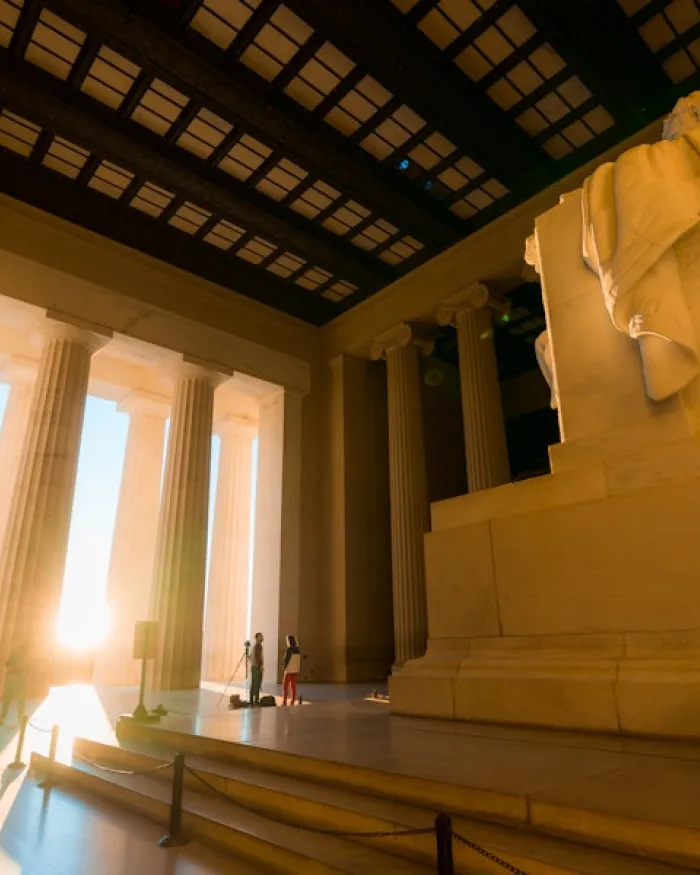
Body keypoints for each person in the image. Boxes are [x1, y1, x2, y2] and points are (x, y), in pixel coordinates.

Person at [0, 645, 28, 727]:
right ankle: (20, 718)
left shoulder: (14, 655)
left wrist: (11, 668)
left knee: (7, 699)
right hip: (19, 679)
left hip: (10, 677)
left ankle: (2, 717)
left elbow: (6, 663)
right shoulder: (24, 657)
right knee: (21, 699)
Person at [282, 634, 301, 706]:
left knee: (285, 686)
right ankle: (292, 700)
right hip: (295, 669)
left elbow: (286, 660)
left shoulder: (289, 649)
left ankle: (284, 701)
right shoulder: (297, 649)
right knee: (293, 685)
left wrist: (284, 668)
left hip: (289, 669)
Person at [250, 632, 264, 707]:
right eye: (260, 636)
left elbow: (251, 656)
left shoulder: (255, 645)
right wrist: (260, 666)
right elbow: (257, 657)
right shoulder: (258, 645)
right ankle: (256, 701)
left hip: (253, 666)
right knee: (257, 684)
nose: (262, 637)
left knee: (254, 683)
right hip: (257, 667)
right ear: (257, 638)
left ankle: (251, 700)